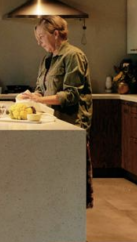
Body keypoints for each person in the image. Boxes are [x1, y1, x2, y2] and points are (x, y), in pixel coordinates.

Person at [18, 15, 95, 207]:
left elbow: (71, 95)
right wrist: (31, 96)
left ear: (56, 34)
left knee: (72, 179)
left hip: (71, 124)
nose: (39, 43)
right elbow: (40, 88)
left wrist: (39, 99)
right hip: (52, 122)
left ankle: (73, 222)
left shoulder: (73, 56)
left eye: (41, 38)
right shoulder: (47, 59)